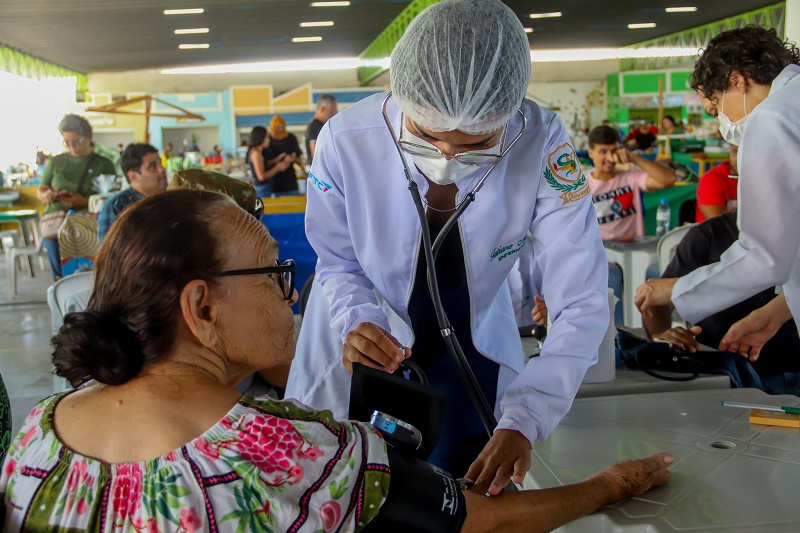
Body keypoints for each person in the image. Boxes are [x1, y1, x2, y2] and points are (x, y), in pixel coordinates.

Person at [0, 189, 672, 532]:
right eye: (273, 272)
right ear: (201, 308)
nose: (293, 295)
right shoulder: (291, 451)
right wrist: (612, 485)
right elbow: (481, 520)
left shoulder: (40, 433)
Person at [287, 0, 611, 495]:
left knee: (466, 486)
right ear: (399, 94)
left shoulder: (541, 140)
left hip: (471, 341)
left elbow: (582, 297)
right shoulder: (345, 139)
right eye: (426, 136)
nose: (447, 159)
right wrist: (355, 319)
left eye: (477, 144)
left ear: (511, 113)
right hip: (364, 349)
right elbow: (338, 260)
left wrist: (527, 416)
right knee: (343, 490)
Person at [636, 25, 800, 362]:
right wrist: (780, 311)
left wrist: (676, 289)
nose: (722, 123)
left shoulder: (771, 117)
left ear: (737, 80)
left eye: (716, 108)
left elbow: (763, 255)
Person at [642, 212, 800, 381]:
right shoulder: (708, 234)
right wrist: (662, 334)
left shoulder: (792, 235)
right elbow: (657, 300)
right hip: (719, 373)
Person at [37, 114, 116, 279]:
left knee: (90, 273)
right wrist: (49, 195)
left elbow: (112, 198)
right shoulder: (56, 162)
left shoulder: (103, 164)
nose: (71, 146)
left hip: (89, 224)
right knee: (60, 275)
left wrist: (83, 201)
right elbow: (42, 190)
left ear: (88, 137)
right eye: (67, 142)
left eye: (76, 141)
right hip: (56, 223)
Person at [97, 143, 168, 242]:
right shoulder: (116, 206)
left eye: (160, 164)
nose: (162, 169)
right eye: (153, 166)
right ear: (133, 176)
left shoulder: (171, 200)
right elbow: (107, 253)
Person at [695, 144, 738, 222]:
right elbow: (718, 223)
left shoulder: (761, 178)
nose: (740, 159)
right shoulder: (711, 179)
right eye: (736, 152)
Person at [245, 126, 292, 198]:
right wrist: (278, 167)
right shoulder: (256, 153)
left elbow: (262, 165)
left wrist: (276, 160)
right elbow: (261, 176)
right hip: (262, 189)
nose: (269, 140)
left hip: (263, 188)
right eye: (267, 137)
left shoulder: (257, 152)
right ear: (260, 138)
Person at [265, 116, 302, 196]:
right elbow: (263, 165)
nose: (280, 137)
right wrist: (277, 162)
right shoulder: (266, 141)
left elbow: (300, 161)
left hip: (291, 185)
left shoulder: (291, 138)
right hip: (273, 187)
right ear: (271, 130)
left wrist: (293, 159)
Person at [304, 94, 337, 165]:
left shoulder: (316, 126)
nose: (334, 115)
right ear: (322, 109)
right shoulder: (316, 127)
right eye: (332, 112)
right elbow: (316, 156)